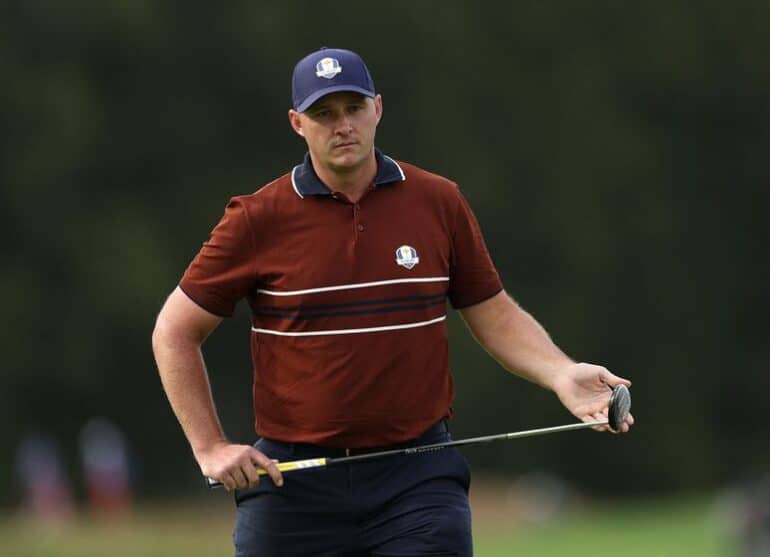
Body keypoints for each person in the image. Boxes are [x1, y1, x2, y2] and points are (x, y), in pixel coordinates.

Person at [152, 46, 634, 557]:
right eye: (323, 113)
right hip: (293, 481)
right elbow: (175, 332)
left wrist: (560, 372)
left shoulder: (437, 201)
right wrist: (209, 446)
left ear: (377, 109)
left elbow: (492, 312)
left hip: (416, 478)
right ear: (297, 123)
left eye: (353, 108)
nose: (343, 125)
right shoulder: (257, 219)